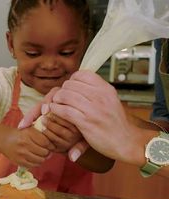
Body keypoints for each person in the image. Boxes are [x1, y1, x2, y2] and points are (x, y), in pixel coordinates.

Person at [0, 0, 112, 195]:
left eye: (66, 52)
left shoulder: (89, 92)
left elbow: (105, 163)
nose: (50, 64)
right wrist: (6, 139)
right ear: (11, 44)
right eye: (33, 53)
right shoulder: (5, 83)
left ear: (84, 41)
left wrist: (74, 144)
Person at [19, 39, 169, 178]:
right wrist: (117, 121)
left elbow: (136, 141)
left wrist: (132, 141)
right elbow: (164, 130)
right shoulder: (162, 40)